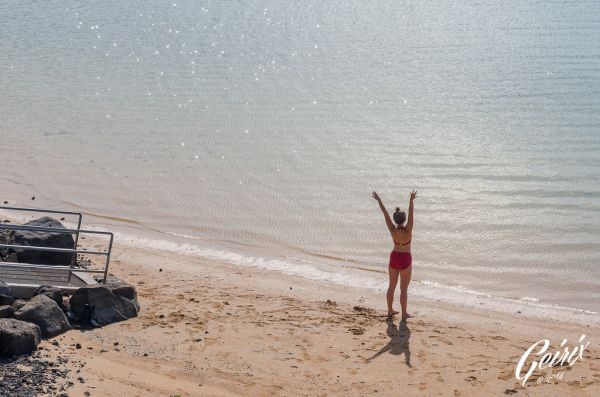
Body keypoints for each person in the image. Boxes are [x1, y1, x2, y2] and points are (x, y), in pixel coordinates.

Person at [371, 190, 417, 321]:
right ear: (405, 220)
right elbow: (411, 214)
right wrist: (411, 200)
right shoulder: (408, 230)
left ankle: (390, 310)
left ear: (395, 219)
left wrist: (379, 200)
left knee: (391, 286)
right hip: (405, 259)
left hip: (394, 257)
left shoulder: (392, 229)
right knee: (403, 289)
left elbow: (385, 213)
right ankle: (404, 313)